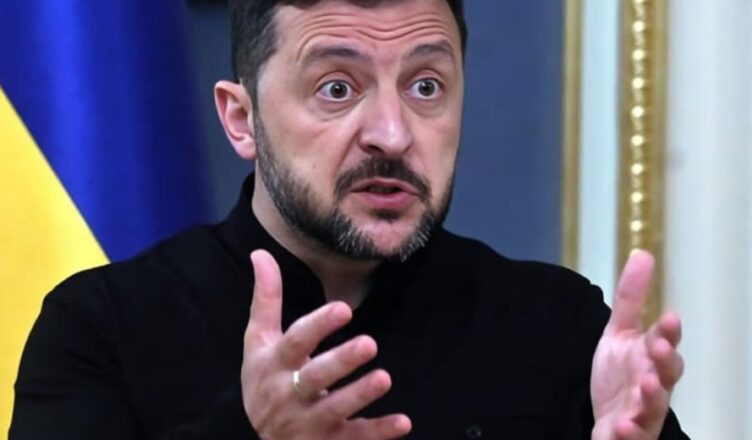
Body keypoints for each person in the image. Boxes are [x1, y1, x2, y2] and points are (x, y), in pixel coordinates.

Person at [10, 0, 689, 438]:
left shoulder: (558, 326)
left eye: (426, 86)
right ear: (242, 119)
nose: (392, 134)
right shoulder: (99, 329)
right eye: (337, 88)